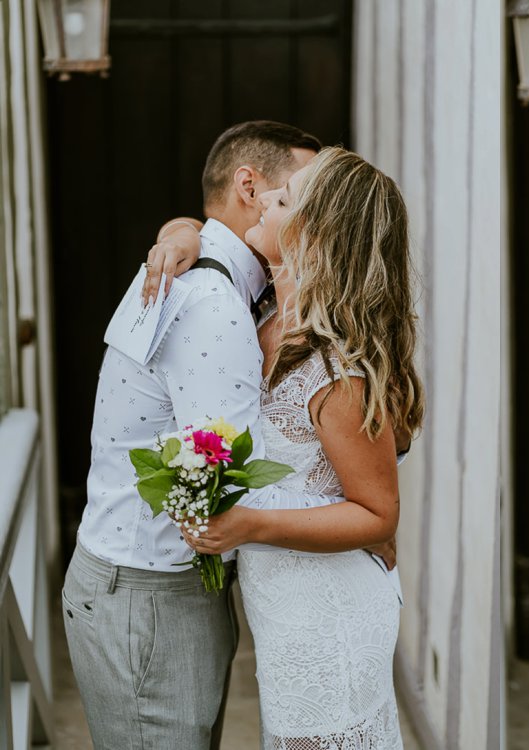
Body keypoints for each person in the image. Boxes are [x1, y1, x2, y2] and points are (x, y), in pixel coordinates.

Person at [152, 146, 422, 748]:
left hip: (330, 614)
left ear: (314, 233)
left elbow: (380, 513)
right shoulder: (266, 313)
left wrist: (248, 524)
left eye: (287, 196)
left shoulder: (339, 373)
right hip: (282, 607)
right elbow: (207, 229)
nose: (268, 196)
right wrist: (182, 230)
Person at [62, 120, 319, 749]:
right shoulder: (210, 299)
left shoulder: (206, 272)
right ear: (249, 186)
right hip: (152, 598)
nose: (315, 207)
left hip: (144, 585)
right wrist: (362, 522)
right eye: (301, 191)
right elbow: (228, 481)